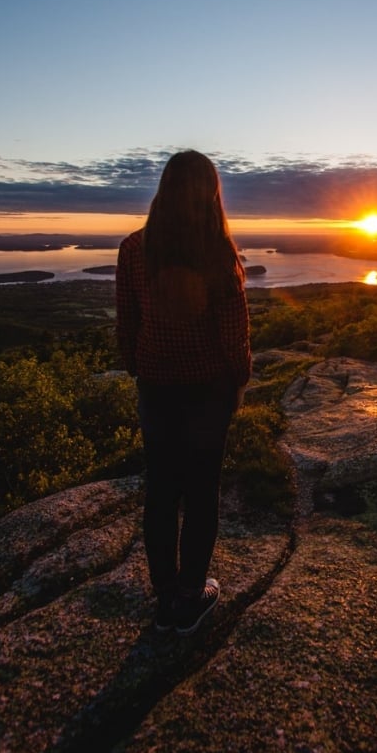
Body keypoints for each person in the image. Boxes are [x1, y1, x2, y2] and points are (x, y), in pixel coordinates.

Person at [116, 150, 251, 636]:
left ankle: (165, 592)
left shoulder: (134, 248)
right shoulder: (218, 250)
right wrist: (239, 380)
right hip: (208, 391)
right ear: (212, 194)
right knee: (200, 492)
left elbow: (127, 324)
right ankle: (190, 597)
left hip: (156, 387)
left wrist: (141, 368)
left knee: (161, 490)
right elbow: (234, 333)